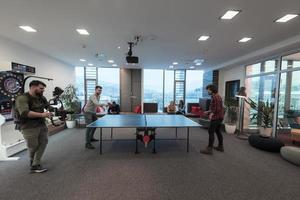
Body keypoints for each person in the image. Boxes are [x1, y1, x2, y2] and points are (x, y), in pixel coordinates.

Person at [15, 80, 52, 173]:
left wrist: (56, 110)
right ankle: (33, 162)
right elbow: (24, 113)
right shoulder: (22, 98)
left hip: (41, 124)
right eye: (41, 89)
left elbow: (48, 107)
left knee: (43, 142)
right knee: (33, 146)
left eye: (43, 89)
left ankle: (35, 164)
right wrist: (42, 115)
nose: (43, 90)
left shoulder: (41, 97)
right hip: (28, 126)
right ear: (33, 87)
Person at [200, 84, 224, 155]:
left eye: (208, 89)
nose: (208, 91)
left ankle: (209, 149)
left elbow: (216, 109)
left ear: (212, 90)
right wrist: (209, 112)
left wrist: (209, 113)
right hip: (220, 117)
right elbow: (216, 108)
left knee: (210, 131)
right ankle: (220, 147)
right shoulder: (217, 96)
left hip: (216, 117)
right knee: (218, 131)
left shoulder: (215, 97)